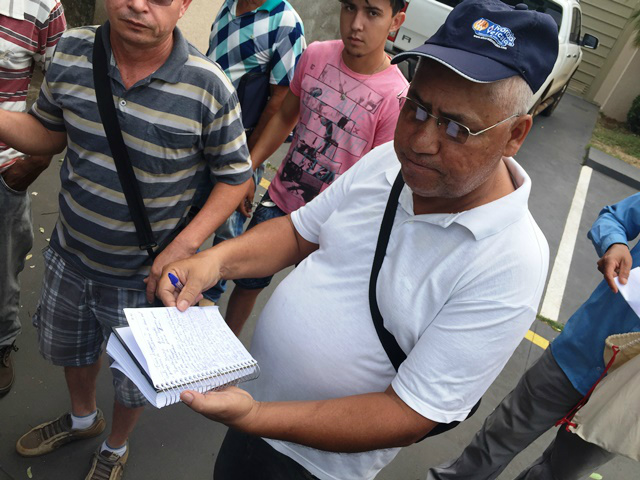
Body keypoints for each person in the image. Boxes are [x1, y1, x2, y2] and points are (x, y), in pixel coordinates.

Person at [155, 1, 559, 478]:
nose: (421, 140)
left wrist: (257, 417)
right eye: (417, 108)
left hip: (315, 466)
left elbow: (410, 414)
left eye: (456, 127)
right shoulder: (391, 160)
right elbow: (299, 231)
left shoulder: (512, 262)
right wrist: (215, 262)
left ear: (515, 134)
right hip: (250, 416)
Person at [0, 0, 252, 477]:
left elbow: (236, 178)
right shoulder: (72, 51)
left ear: (183, 5)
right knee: (72, 350)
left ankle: (115, 446)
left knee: (134, 381)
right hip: (69, 255)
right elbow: (48, 133)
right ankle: (83, 419)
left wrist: (187, 244)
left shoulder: (208, 85)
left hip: (144, 280)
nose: (138, 4)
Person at [223, 0, 409, 334]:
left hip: (334, 223)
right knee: (246, 282)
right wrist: (247, 170)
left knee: (307, 311)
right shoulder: (315, 55)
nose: (356, 24)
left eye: (372, 13)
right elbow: (284, 116)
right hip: (281, 199)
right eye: (350, 8)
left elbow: (376, 180)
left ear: (396, 21)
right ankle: (220, 361)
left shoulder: (395, 96)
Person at [426, 193, 640, 480]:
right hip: (579, 352)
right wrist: (614, 243)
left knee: (560, 473)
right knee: (496, 441)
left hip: (628, 399)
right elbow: (613, 217)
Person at [199, 0, 306, 305]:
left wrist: (246, 168)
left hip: (241, 146)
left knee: (228, 230)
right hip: (201, 135)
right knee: (185, 214)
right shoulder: (229, 5)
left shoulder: (286, 23)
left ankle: (206, 304)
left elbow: (279, 105)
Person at [0, 0, 66, 398]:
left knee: (2, 264)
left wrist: (36, 161)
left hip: (3, 166)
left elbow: (66, 87)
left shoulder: (41, 6)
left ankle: (1, 342)